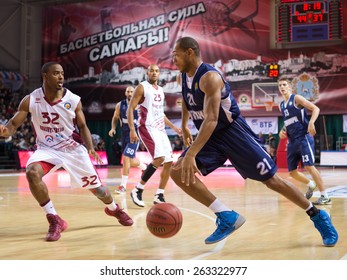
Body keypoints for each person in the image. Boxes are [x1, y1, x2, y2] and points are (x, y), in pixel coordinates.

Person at [170, 36, 338, 246]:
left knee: (272, 181)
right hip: (211, 135)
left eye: (175, 54)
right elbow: (188, 99)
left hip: (233, 133)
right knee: (177, 172)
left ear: (189, 52)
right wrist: (185, 124)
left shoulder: (210, 77)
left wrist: (192, 153)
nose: (173, 59)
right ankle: (226, 216)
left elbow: (212, 119)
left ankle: (317, 215)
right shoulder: (183, 77)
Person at [0, 62, 133, 242]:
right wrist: (4, 131)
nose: (61, 77)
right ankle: (54, 220)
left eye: (62, 73)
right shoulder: (31, 100)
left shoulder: (73, 100)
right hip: (47, 149)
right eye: (56, 73)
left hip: (72, 150)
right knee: (32, 173)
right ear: (45, 76)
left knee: (100, 191)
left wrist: (91, 148)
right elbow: (13, 125)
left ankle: (114, 209)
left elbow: (83, 126)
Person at [127, 64, 182, 207]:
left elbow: (161, 114)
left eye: (156, 71)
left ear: (159, 74)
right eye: (151, 71)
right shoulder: (142, 87)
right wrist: (132, 130)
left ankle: (159, 194)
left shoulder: (161, 90)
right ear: (147, 73)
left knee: (169, 161)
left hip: (160, 129)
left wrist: (174, 127)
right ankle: (137, 190)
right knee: (159, 158)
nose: (154, 73)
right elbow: (131, 108)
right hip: (147, 126)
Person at [278, 77, 331, 205]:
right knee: (292, 172)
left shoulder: (296, 99)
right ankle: (310, 184)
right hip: (292, 141)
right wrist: (282, 130)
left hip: (303, 137)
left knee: (309, 166)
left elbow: (316, 109)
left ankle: (325, 196)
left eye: (284, 84)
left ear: (290, 87)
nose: (282, 87)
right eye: (280, 86)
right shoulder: (281, 105)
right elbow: (289, 121)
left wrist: (311, 122)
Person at [108, 86, 147, 194]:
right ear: (125, 93)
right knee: (129, 160)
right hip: (124, 135)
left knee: (125, 158)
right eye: (128, 91)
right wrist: (113, 128)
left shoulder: (140, 105)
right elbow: (115, 118)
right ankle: (144, 167)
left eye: (131, 91)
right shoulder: (120, 105)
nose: (130, 93)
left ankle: (123, 186)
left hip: (135, 135)